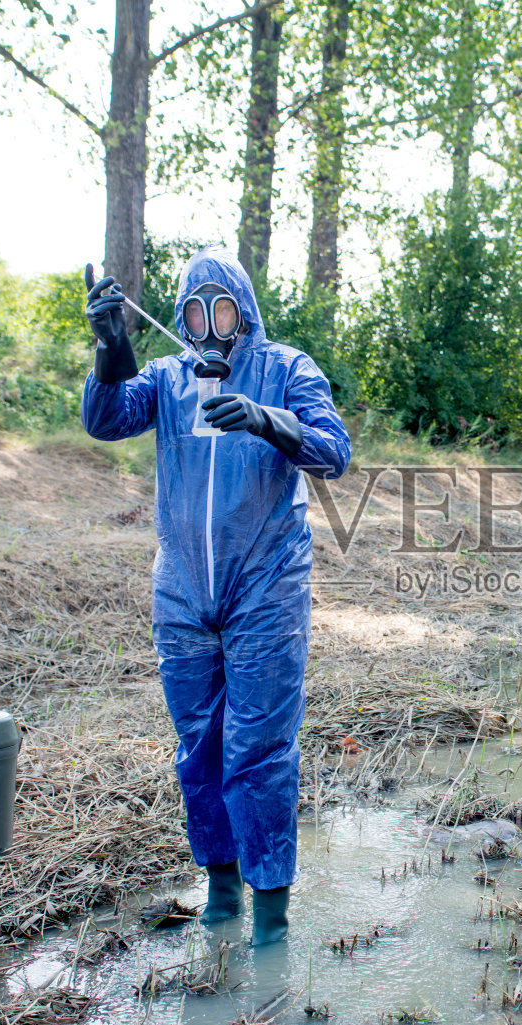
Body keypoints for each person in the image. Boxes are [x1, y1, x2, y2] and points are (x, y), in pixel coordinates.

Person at [80, 248, 350, 945]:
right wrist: (113, 346)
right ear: (181, 314)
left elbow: (334, 452)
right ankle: (221, 890)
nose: (207, 323)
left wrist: (265, 419)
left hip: (266, 584)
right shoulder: (169, 377)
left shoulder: (287, 368)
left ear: (244, 310)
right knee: (198, 744)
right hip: (182, 592)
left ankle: (271, 916)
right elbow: (107, 421)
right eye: (195, 309)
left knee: (257, 748)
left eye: (221, 307)